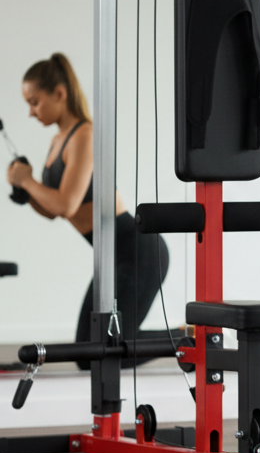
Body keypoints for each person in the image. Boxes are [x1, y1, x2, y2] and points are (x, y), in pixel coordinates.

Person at [6, 53, 170, 369]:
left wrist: (27, 180)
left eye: (34, 101)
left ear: (59, 94)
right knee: (88, 352)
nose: (30, 112)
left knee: (101, 353)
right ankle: (182, 339)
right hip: (111, 259)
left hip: (137, 252)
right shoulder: (58, 141)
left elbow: (66, 202)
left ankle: (187, 342)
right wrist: (26, 191)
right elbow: (56, 209)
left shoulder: (84, 135)